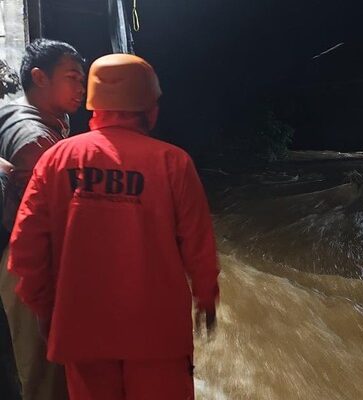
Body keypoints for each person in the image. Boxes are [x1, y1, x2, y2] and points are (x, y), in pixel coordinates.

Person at [8, 53, 219, 400]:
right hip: (158, 338)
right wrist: (206, 298)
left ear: (95, 104)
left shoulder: (56, 159)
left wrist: (46, 310)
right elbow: (199, 245)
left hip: (81, 333)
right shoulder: (173, 162)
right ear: (149, 106)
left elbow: (26, 249)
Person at [0, 38, 86, 400]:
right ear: (39, 77)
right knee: (44, 367)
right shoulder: (36, 142)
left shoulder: (18, 111)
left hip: (16, 253)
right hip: (22, 262)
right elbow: (51, 220)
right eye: (72, 77)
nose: (81, 88)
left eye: (83, 79)